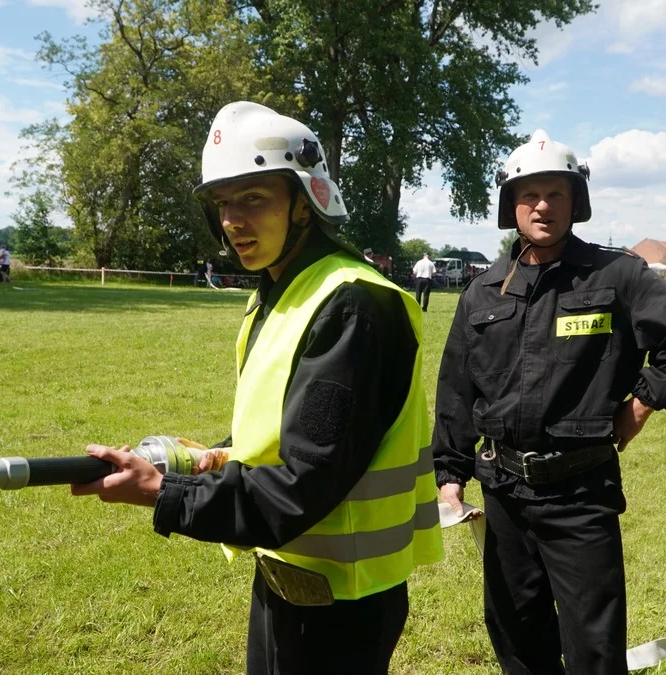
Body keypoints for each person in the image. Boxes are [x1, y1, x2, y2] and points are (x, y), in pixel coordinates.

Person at [68, 101, 442, 675]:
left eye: (253, 199)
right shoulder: (278, 293)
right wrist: (205, 457)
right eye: (222, 204)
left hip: (343, 601)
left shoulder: (352, 304)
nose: (232, 221)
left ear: (304, 202)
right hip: (286, 578)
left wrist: (163, 494)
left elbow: (303, 483)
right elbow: (279, 432)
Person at [430, 130, 666, 675]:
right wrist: (449, 471)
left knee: (594, 647)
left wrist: (641, 402)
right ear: (510, 205)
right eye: (529, 194)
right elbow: (457, 388)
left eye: (557, 194)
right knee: (516, 635)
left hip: (581, 494)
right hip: (503, 493)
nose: (542, 205)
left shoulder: (617, 276)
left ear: (576, 202)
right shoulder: (484, 291)